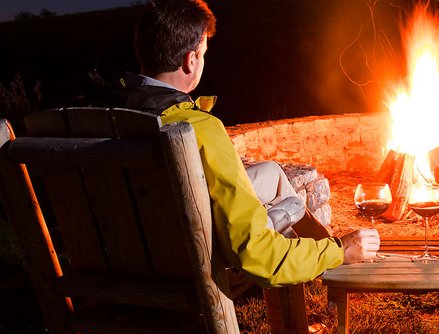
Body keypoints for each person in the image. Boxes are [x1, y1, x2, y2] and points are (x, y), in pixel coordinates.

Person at [86, 0, 380, 288]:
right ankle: (333, 255)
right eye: (203, 53)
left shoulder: (102, 118)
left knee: (272, 174)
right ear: (191, 60)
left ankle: (323, 246)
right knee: (291, 204)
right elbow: (255, 253)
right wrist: (338, 251)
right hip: (189, 265)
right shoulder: (197, 129)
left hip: (127, 256)